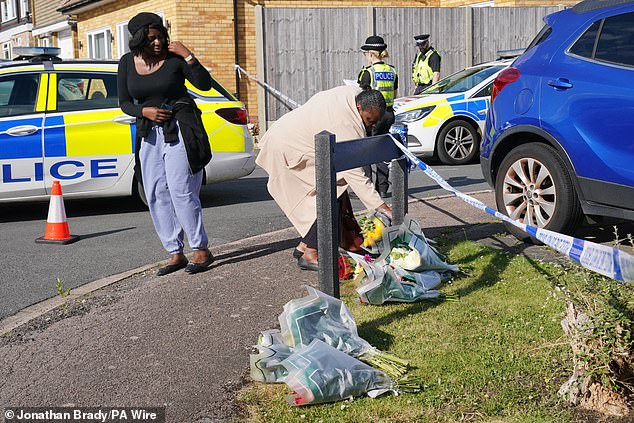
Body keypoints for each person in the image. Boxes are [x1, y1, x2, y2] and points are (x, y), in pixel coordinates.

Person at [117, 12, 215, 276]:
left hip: (179, 129)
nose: (158, 43)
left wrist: (188, 55)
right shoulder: (127, 63)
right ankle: (175, 252)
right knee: (156, 192)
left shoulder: (174, 60)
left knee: (181, 189)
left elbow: (204, 85)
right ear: (138, 40)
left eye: (160, 36)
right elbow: (124, 102)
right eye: (151, 39)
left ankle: (200, 249)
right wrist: (143, 112)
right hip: (149, 133)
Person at [255, 87, 393, 271]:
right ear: (360, 107)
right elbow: (355, 173)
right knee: (329, 197)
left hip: (290, 138)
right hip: (289, 150)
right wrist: (380, 206)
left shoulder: (352, 94)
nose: (371, 126)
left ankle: (305, 245)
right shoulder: (346, 124)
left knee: (333, 193)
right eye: (369, 121)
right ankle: (310, 254)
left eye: (375, 122)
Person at [357, 35, 398, 199]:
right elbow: (395, 94)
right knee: (381, 152)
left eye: (366, 53)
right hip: (388, 114)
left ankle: (368, 189)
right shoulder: (392, 70)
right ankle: (382, 187)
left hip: (372, 116)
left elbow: (361, 97)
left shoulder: (368, 72)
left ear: (370, 54)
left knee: (366, 152)